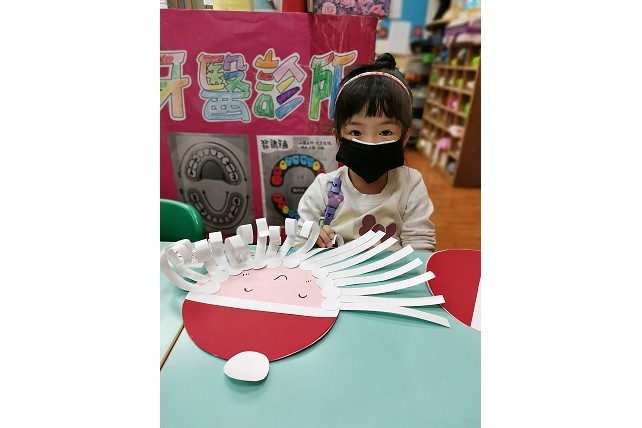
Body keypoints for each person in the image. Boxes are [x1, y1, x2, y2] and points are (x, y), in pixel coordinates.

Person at [297, 53, 436, 252]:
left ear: (404, 137)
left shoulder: (410, 184)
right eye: (356, 132)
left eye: (385, 132)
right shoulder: (323, 188)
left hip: (391, 271)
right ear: (339, 137)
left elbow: (420, 247)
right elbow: (299, 240)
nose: (370, 143)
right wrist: (311, 238)